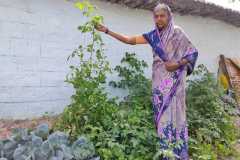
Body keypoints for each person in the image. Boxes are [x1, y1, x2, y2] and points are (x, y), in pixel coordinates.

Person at [95, 3, 198, 160]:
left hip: (176, 84)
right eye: (156, 16)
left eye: (162, 15)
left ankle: (179, 153)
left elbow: (192, 52)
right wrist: (107, 31)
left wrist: (176, 65)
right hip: (159, 83)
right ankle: (166, 153)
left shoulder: (178, 33)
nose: (158, 19)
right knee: (162, 117)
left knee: (177, 115)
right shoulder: (153, 36)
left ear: (169, 16)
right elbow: (130, 40)